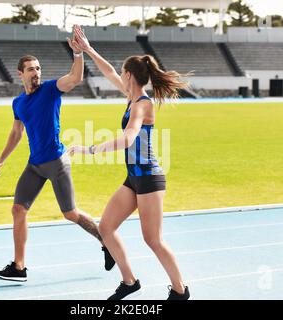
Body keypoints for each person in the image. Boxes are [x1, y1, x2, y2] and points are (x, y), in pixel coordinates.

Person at [68, 26, 190, 300]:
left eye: (123, 72)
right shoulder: (131, 96)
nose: (119, 75)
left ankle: (181, 291)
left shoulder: (142, 105)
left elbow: (127, 139)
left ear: (130, 75)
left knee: (153, 240)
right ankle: (129, 281)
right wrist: (87, 50)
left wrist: (88, 149)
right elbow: (109, 71)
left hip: (148, 177)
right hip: (134, 178)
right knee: (106, 228)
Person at [0, 25, 115, 282]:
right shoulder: (18, 103)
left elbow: (74, 78)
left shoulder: (50, 89)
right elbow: (16, 133)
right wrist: (0, 160)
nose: (36, 72)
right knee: (18, 210)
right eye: (31, 69)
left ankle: (107, 241)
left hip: (57, 163)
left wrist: (78, 54)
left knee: (70, 213)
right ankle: (19, 267)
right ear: (20, 73)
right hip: (35, 165)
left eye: (38, 68)